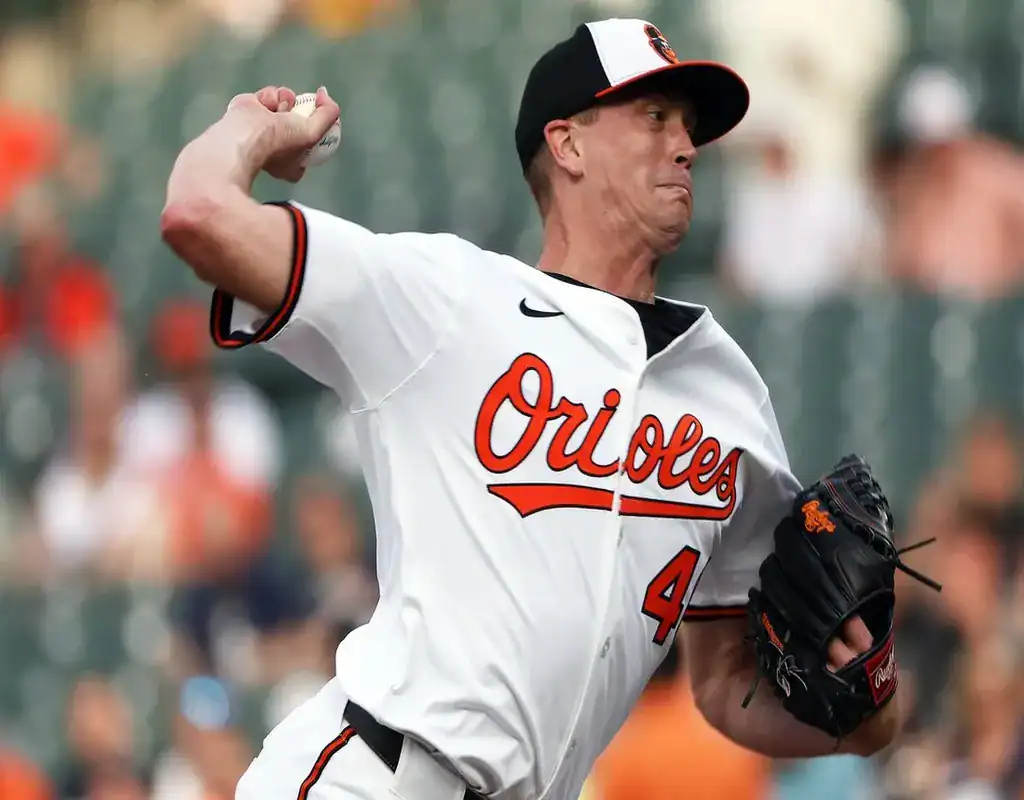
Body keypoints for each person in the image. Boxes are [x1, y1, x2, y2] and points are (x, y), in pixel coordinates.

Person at [161, 18, 905, 800]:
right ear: (568, 145)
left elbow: (722, 690)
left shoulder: (730, 393)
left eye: (687, 127)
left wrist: (870, 711)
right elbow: (198, 214)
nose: (685, 146)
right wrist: (251, 127)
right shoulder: (445, 298)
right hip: (379, 772)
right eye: (654, 119)